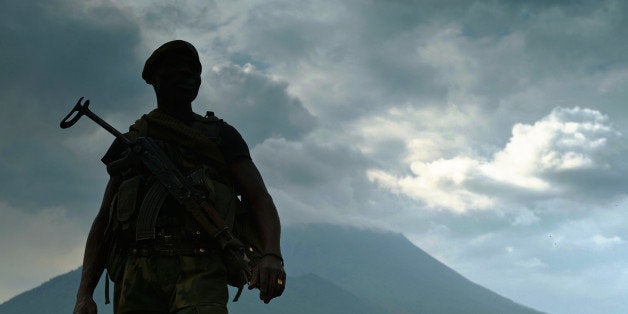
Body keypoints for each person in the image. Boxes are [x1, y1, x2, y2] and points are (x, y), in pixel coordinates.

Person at [73, 40, 285, 314]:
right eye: (178, 70)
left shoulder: (220, 136)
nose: (189, 77)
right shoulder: (132, 142)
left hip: (200, 266)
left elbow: (258, 197)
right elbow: (105, 220)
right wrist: (84, 294)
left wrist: (272, 254)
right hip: (136, 272)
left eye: (194, 72)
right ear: (155, 79)